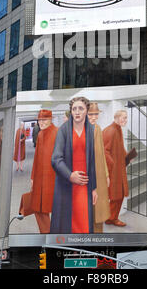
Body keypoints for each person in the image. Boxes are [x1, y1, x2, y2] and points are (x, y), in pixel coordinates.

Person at [50, 97, 97, 234]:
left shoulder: (92, 130)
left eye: (81, 108)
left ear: (86, 111)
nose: (77, 112)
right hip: (67, 184)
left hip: (85, 185)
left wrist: (94, 188)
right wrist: (70, 175)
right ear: (71, 111)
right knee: (67, 225)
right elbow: (56, 159)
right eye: (74, 109)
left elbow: (93, 162)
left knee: (84, 224)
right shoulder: (63, 131)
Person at [26, 109, 58, 233]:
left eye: (44, 120)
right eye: (40, 120)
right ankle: (47, 232)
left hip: (52, 177)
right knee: (37, 207)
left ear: (51, 119)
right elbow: (37, 157)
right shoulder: (40, 134)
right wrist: (33, 177)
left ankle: (50, 234)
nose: (41, 122)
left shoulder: (57, 133)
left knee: (48, 207)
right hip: (40, 178)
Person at [102, 110, 130, 227]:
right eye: (124, 117)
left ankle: (110, 218)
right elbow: (105, 151)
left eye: (126, 118)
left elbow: (120, 147)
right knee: (116, 196)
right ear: (117, 117)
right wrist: (113, 164)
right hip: (113, 170)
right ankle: (113, 218)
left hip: (118, 169)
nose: (125, 120)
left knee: (118, 195)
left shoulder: (117, 129)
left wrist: (127, 156)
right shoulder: (111, 131)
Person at [87, 102, 110, 233]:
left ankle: (98, 237)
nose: (94, 117)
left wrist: (106, 174)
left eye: (96, 114)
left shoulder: (98, 129)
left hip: (100, 175)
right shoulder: (81, 131)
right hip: (88, 175)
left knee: (99, 211)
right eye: (91, 114)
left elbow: (101, 153)